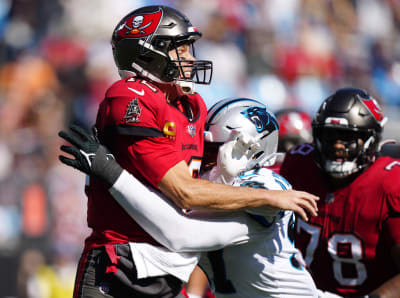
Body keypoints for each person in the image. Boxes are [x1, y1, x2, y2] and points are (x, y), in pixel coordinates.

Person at [59, 5, 318, 298]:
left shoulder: (192, 105)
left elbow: (188, 211)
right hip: (122, 262)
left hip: (172, 266)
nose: (190, 58)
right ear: (147, 54)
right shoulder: (131, 97)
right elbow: (185, 192)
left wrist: (222, 176)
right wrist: (268, 197)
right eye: (180, 50)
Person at [59, 98, 322, 297]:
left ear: (251, 150)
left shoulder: (266, 189)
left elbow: (179, 234)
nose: (203, 160)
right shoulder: (215, 184)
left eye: (211, 150)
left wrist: (111, 172)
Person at [279, 88, 400, 297]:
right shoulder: (298, 165)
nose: (337, 145)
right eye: (329, 135)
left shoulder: (389, 184)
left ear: (370, 139)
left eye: (347, 137)